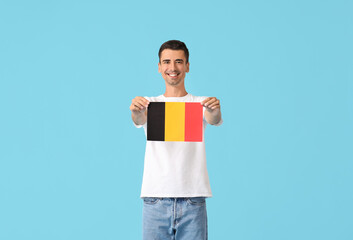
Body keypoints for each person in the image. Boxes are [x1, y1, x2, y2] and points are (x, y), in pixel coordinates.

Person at [130, 40, 222, 240]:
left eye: (179, 61)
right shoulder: (150, 104)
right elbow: (138, 119)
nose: (173, 67)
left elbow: (213, 119)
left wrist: (215, 110)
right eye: (167, 62)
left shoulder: (201, 104)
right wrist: (135, 110)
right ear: (159, 67)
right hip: (155, 200)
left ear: (187, 66)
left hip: (193, 200)